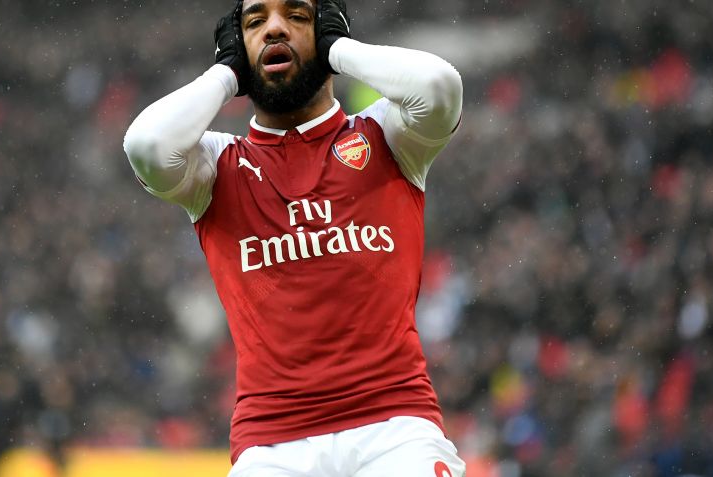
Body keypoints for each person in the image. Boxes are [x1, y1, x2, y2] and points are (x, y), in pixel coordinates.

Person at [123, 0, 465, 475]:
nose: (274, 29)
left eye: (297, 16)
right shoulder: (218, 167)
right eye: (255, 22)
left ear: (325, 31)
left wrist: (338, 50)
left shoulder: (385, 136)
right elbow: (146, 145)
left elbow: (440, 86)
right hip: (272, 445)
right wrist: (226, 73)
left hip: (395, 427)